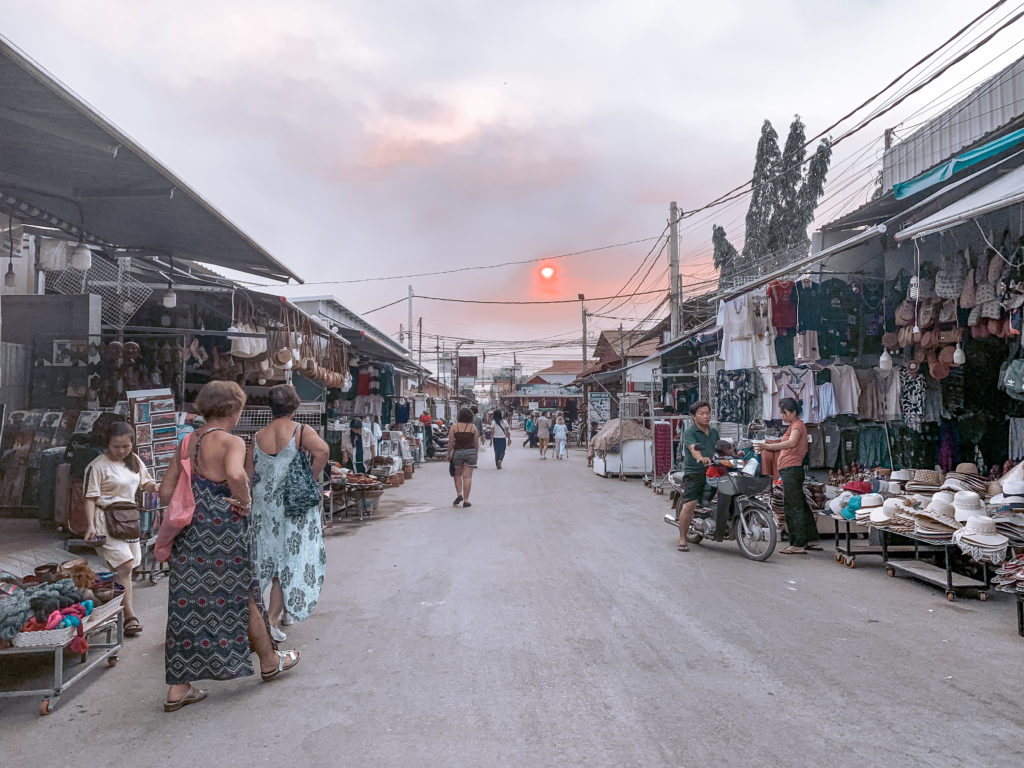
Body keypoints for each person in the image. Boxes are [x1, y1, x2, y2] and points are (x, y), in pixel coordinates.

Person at [159, 381, 299, 712]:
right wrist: (244, 501)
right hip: (224, 530)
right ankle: (269, 661)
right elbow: (237, 475)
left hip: (189, 533)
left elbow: (165, 493)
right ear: (235, 411)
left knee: (187, 601)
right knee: (244, 593)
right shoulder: (232, 441)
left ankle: (178, 687)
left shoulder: (187, 442)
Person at [248, 385, 329, 642]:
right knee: (288, 558)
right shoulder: (300, 430)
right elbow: (323, 452)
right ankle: (271, 621)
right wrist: (311, 476)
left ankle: (276, 615)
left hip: (263, 505)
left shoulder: (258, 436)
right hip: (292, 505)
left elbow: (249, 474)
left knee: (269, 557)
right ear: (295, 406)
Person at [83, 421, 158, 638]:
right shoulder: (97, 466)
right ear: (107, 444)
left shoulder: (133, 461)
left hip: (127, 521)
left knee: (127, 569)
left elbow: (146, 483)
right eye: (117, 446)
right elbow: (89, 498)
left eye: (126, 446)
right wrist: (89, 526)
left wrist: (157, 487)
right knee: (124, 567)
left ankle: (109, 607)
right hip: (104, 521)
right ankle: (130, 617)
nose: (122, 451)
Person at [755, 397, 820, 554]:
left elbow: (791, 443)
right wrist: (769, 443)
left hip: (792, 469)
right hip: (790, 469)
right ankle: (810, 538)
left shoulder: (797, 426)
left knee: (792, 506)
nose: (782, 416)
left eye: (784, 413)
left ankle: (797, 544)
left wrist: (767, 446)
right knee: (800, 504)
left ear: (793, 412)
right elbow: (785, 441)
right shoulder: (793, 426)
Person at [676, 401, 719, 552]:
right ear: (693, 416)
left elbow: (719, 448)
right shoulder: (690, 432)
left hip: (713, 471)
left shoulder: (713, 432)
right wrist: (701, 458)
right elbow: (693, 447)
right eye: (701, 413)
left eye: (708, 413)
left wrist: (734, 453)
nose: (706, 416)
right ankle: (682, 538)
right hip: (694, 472)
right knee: (690, 504)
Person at [447, 407, 479, 507]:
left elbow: (451, 442)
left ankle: (459, 494)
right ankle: (466, 500)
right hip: (471, 452)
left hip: (458, 453)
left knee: (457, 475)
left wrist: (448, 454)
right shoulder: (473, 428)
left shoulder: (454, 427)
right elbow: (476, 443)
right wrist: (475, 453)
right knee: (467, 477)